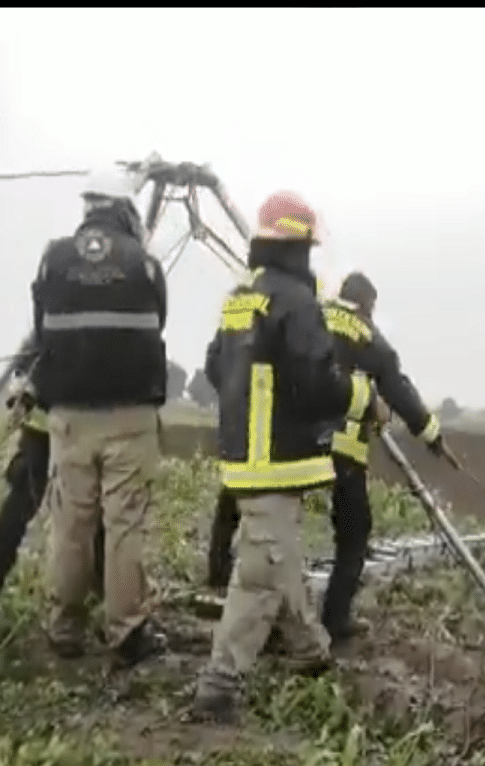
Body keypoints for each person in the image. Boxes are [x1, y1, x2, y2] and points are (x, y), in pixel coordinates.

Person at [191, 190, 391, 724]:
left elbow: (217, 367)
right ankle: (219, 685)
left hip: (241, 453)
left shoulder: (241, 296)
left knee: (278, 552)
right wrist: (363, 397)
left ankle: (309, 650)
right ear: (303, 245)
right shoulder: (298, 303)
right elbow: (318, 383)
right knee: (259, 572)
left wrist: (250, 406)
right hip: (277, 458)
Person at [31, 165, 169, 666]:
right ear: (127, 209)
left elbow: (41, 328)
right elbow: (158, 322)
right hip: (129, 418)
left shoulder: (53, 258)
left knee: (70, 525)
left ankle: (64, 627)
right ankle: (125, 631)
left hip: (68, 416)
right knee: (123, 526)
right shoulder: (146, 265)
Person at [318, 270, 452, 642]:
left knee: (277, 525)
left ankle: (229, 577)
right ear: (368, 305)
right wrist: (432, 436)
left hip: (294, 442)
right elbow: (400, 393)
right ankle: (335, 619)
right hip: (342, 450)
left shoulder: (310, 317)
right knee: (354, 532)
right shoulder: (369, 338)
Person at [0, 358, 105, 616]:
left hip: (65, 421)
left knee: (93, 509)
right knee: (92, 508)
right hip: (62, 423)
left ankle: (99, 595)